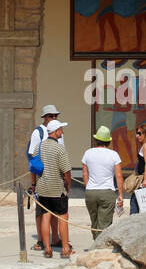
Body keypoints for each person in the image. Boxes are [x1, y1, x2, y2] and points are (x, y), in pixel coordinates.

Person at [28, 105, 63, 251]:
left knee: (56, 211)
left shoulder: (59, 131)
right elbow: (32, 157)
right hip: (43, 176)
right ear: (45, 117)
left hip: (57, 177)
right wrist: (33, 182)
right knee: (41, 211)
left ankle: (55, 237)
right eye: (51, 116)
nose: (53, 118)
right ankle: (41, 240)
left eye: (55, 115)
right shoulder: (38, 133)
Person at [35, 120, 72, 257]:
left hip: (43, 188)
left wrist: (35, 185)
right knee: (63, 217)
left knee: (45, 217)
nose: (62, 132)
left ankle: (48, 248)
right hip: (57, 188)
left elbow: (33, 168)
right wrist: (68, 184)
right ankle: (65, 248)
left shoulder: (39, 147)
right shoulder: (60, 149)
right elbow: (67, 170)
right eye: (60, 130)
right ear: (55, 131)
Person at [81, 126, 124, 239]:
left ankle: (96, 243)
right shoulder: (114, 154)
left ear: (96, 140)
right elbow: (119, 176)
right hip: (107, 191)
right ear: (108, 141)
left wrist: (88, 187)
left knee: (94, 222)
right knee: (104, 224)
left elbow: (85, 174)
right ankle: (100, 248)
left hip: (90, 192)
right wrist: (120, 194)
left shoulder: (88, 153)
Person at [127, 122, 146, 214]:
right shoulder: (145, 146)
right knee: (137, 204)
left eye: (139, 133)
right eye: (136, 133)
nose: (137, 136)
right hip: (145, 182)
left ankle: (136, 225)